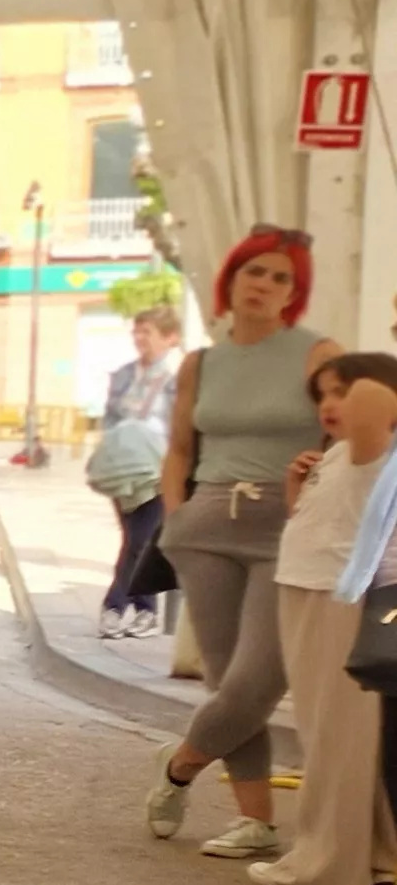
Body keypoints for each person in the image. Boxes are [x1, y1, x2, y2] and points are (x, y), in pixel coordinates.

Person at [144, 227, 336, 850]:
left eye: (283, 278)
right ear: (232, 278)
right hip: (206, 526)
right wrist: (175, 517)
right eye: (256, 271)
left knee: (257, 683)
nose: (266, 285)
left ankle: (180, 767)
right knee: (226, 680)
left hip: (287, 527)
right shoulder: (201, 363)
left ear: (294, 293)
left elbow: (346, 439)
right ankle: (256, 821)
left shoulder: (317, 354)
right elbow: (179, 449)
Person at [253, 354, 397, 885]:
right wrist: (299, 489)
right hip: (312, 590)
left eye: (342, 391)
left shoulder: (375, 444)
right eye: (322, 395)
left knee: (337, 738)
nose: (330, 404)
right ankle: (374, 853)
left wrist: (341, 364)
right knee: (335, 734)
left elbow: (374, 402)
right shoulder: (344, 451)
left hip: (335, 596)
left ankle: (327, 862)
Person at [90, 304, 182, 637]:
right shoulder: (124, 374)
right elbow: (110, 418)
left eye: (148, 332)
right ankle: (146, 611)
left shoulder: (177, 377)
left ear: (170, 337)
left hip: (159, 469)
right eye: (137, 331)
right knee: (135, 541)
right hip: (124, 468)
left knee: (140, 540)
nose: (140, 338)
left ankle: (114, 606)